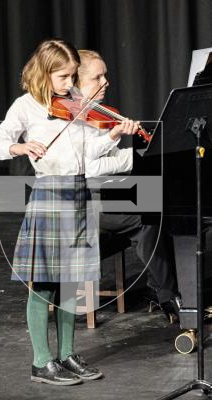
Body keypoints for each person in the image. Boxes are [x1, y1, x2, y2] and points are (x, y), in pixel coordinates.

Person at [0, 39, 140, 386]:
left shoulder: (73, 104)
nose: (69, 83)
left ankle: (68, 354)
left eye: (73, 76)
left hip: (80, 193)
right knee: (42, 285)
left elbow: (87, 154)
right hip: (50, 195)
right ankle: (42, 361)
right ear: (44, 72)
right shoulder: (25, 107)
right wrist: (19, 146)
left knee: (73, 284)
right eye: (62, 76)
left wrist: (113, 135)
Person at [77, 49, 180, 322]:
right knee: (145, 216)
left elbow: (107, 162)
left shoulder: (98, 112)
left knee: (161, 202)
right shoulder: (69, 120)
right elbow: (87, 168)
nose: (105, 82)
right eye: (96, 77)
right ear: (75, 83)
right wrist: (124, 148)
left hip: (102, 192)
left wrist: (148, 151)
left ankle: (165, 290)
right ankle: (169, 296)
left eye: (106, 75)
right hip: (81, 201)